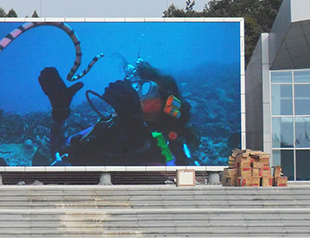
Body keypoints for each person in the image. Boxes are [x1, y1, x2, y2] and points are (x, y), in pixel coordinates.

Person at [38, 60, 199, 166]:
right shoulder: (109, 124)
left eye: (145, 88)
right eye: (134, 87)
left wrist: (135, 133)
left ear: (167, 102)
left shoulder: (171, 142)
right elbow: (60, 151)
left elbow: (171, 173)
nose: (136, 94)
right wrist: (60, 113)